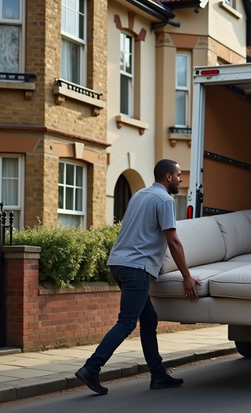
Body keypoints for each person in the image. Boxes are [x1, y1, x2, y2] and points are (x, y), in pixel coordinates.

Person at [75, 159, 201, 395]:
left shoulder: (140, 195)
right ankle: (92, 367)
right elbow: (173, 240)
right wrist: (187, 276)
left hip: (119, 264)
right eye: (178, 175)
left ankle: (158, 374)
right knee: (126, 322)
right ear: (167, 177)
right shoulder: (164, 199)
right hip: (137, 267)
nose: (181, 179)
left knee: (149, 319)